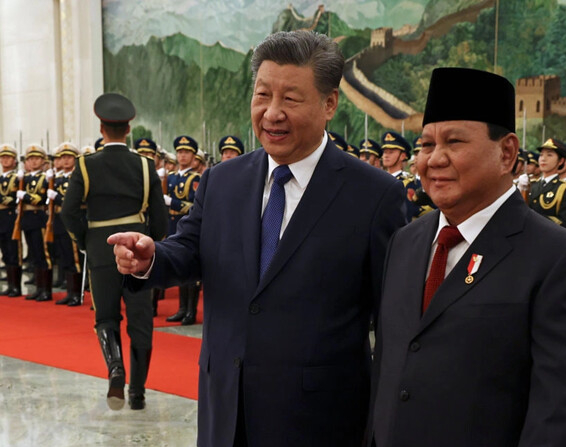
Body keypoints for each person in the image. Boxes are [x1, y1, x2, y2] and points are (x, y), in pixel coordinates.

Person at [109, 30, 406, 447]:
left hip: (320, 420)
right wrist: (152, 257)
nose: (272, 113)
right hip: (226, 407)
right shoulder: (222, 180)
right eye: (262, 95)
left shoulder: (374, 195)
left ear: (329, 104)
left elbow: (393, 318)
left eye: (290, 99)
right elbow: (190, 248)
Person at [367, 67, 566, 447]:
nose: (434, 159)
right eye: (426, 145)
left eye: (454, 142)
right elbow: (389, 367)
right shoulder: (406, 243)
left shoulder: (559, 259)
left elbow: (561, 412)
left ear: (506, 152)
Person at [61, 93, 168, 411]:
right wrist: (149, 244)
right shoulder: (146, 166)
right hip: (136, 249)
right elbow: (160, 221)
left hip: (100, 250)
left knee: (106, 317)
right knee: (141, 323)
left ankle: (115, 368)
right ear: (129, 128)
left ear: (102, 128)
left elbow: (69, 212)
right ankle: (137, 393)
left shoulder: (85, 164)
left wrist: (86, 241)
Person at [163, 135, 201, 325]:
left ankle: (190, 311)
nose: (182, 156)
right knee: (179, 268)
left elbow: (195, 207)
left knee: (189, 269)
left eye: (186, 152)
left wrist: (173, 203)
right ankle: (181, 308)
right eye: (179, 152)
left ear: (193, 156)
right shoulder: (170, 177)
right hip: (172, 226)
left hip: (187, 226)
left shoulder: (197, 179)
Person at [17, 144, 52, 301]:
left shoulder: (46, 178)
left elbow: (41, 199)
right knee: (34, 255)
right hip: (28, 219)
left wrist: (25, 196)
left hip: (39, 218)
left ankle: (46, 290)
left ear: (43, 161)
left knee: (43, 254)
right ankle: (39, 288)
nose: (33, 162)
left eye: (37, 158)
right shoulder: (25, 178)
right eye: (30, 159)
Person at [50, 142, 83, 306]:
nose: (65, 160)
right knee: (64, 257)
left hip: (73, 221)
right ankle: (70, 292)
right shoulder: (58, 178)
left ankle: (76, 293)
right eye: (63, 157)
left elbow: (76, 201)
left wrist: (56, 197)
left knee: (74, 256)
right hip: (59, 220)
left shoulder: (77, 178)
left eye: (69, 157)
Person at [528, 138, 566, 230]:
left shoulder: (563, 188)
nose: (543, 159)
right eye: (541, 155)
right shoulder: (532, 185)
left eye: (549, 155)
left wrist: (535, 219)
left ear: (561, 161)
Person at [0, 144, 21, 297]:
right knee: (5, 252)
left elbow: (14, 199)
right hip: (1, 218)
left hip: (10, 216)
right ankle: (9, 284)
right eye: (3, 157)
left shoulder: (17, 178)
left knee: (13, 251)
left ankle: (16, 287)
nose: (5, 160)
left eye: (8, 157)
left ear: (14, 160)